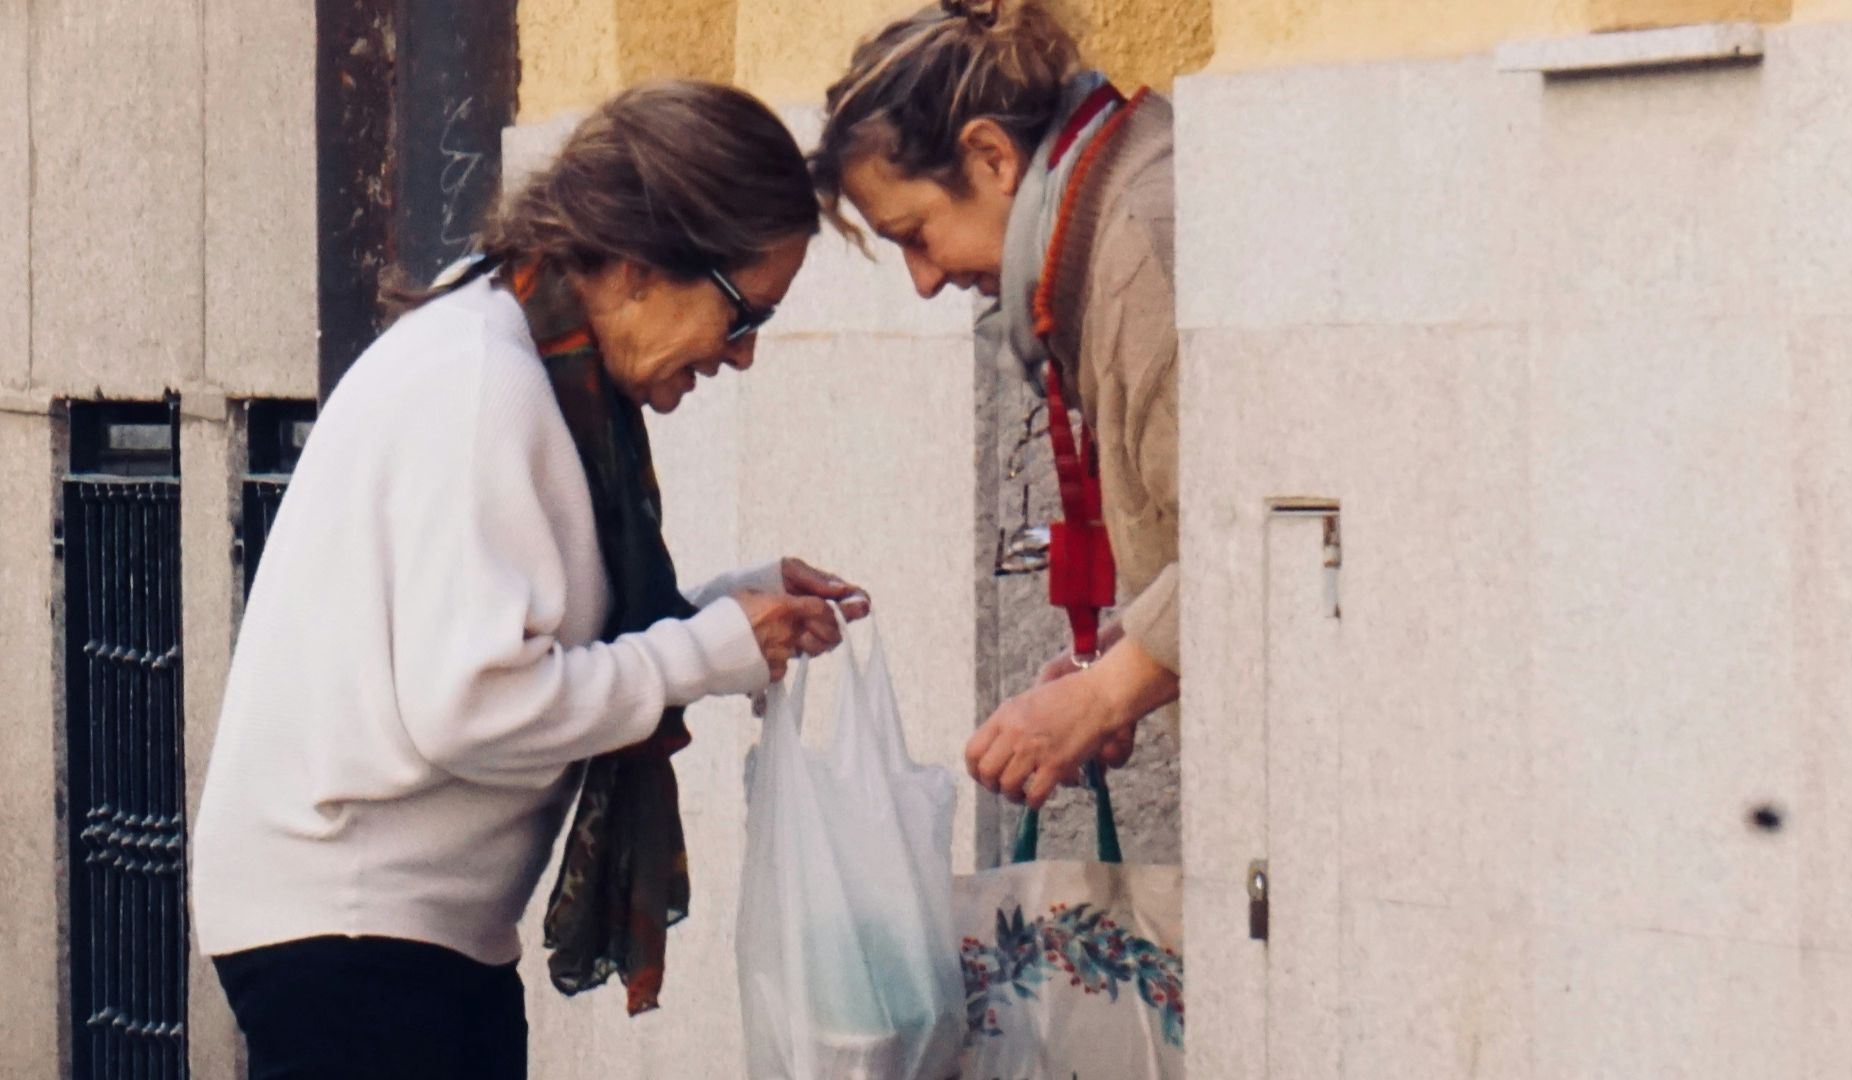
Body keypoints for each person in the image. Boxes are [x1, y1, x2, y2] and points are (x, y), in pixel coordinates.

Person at [190, 81, 865, 1080]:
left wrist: (728, 612)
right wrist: (702, 653)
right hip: (354, 929)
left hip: (392, 927)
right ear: (639, 267)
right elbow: (474, 704)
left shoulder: (528, 360)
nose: (746, 354)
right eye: (742, 313)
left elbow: (536, 640)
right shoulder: (485, 384)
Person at [812, 0, 1179, 809]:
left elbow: (1242, 552)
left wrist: (1103, 694)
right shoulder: (1109, 222)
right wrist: (1125, 658)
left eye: (916, 234)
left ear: (989, 157)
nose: (925, 280)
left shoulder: (1140, 250)